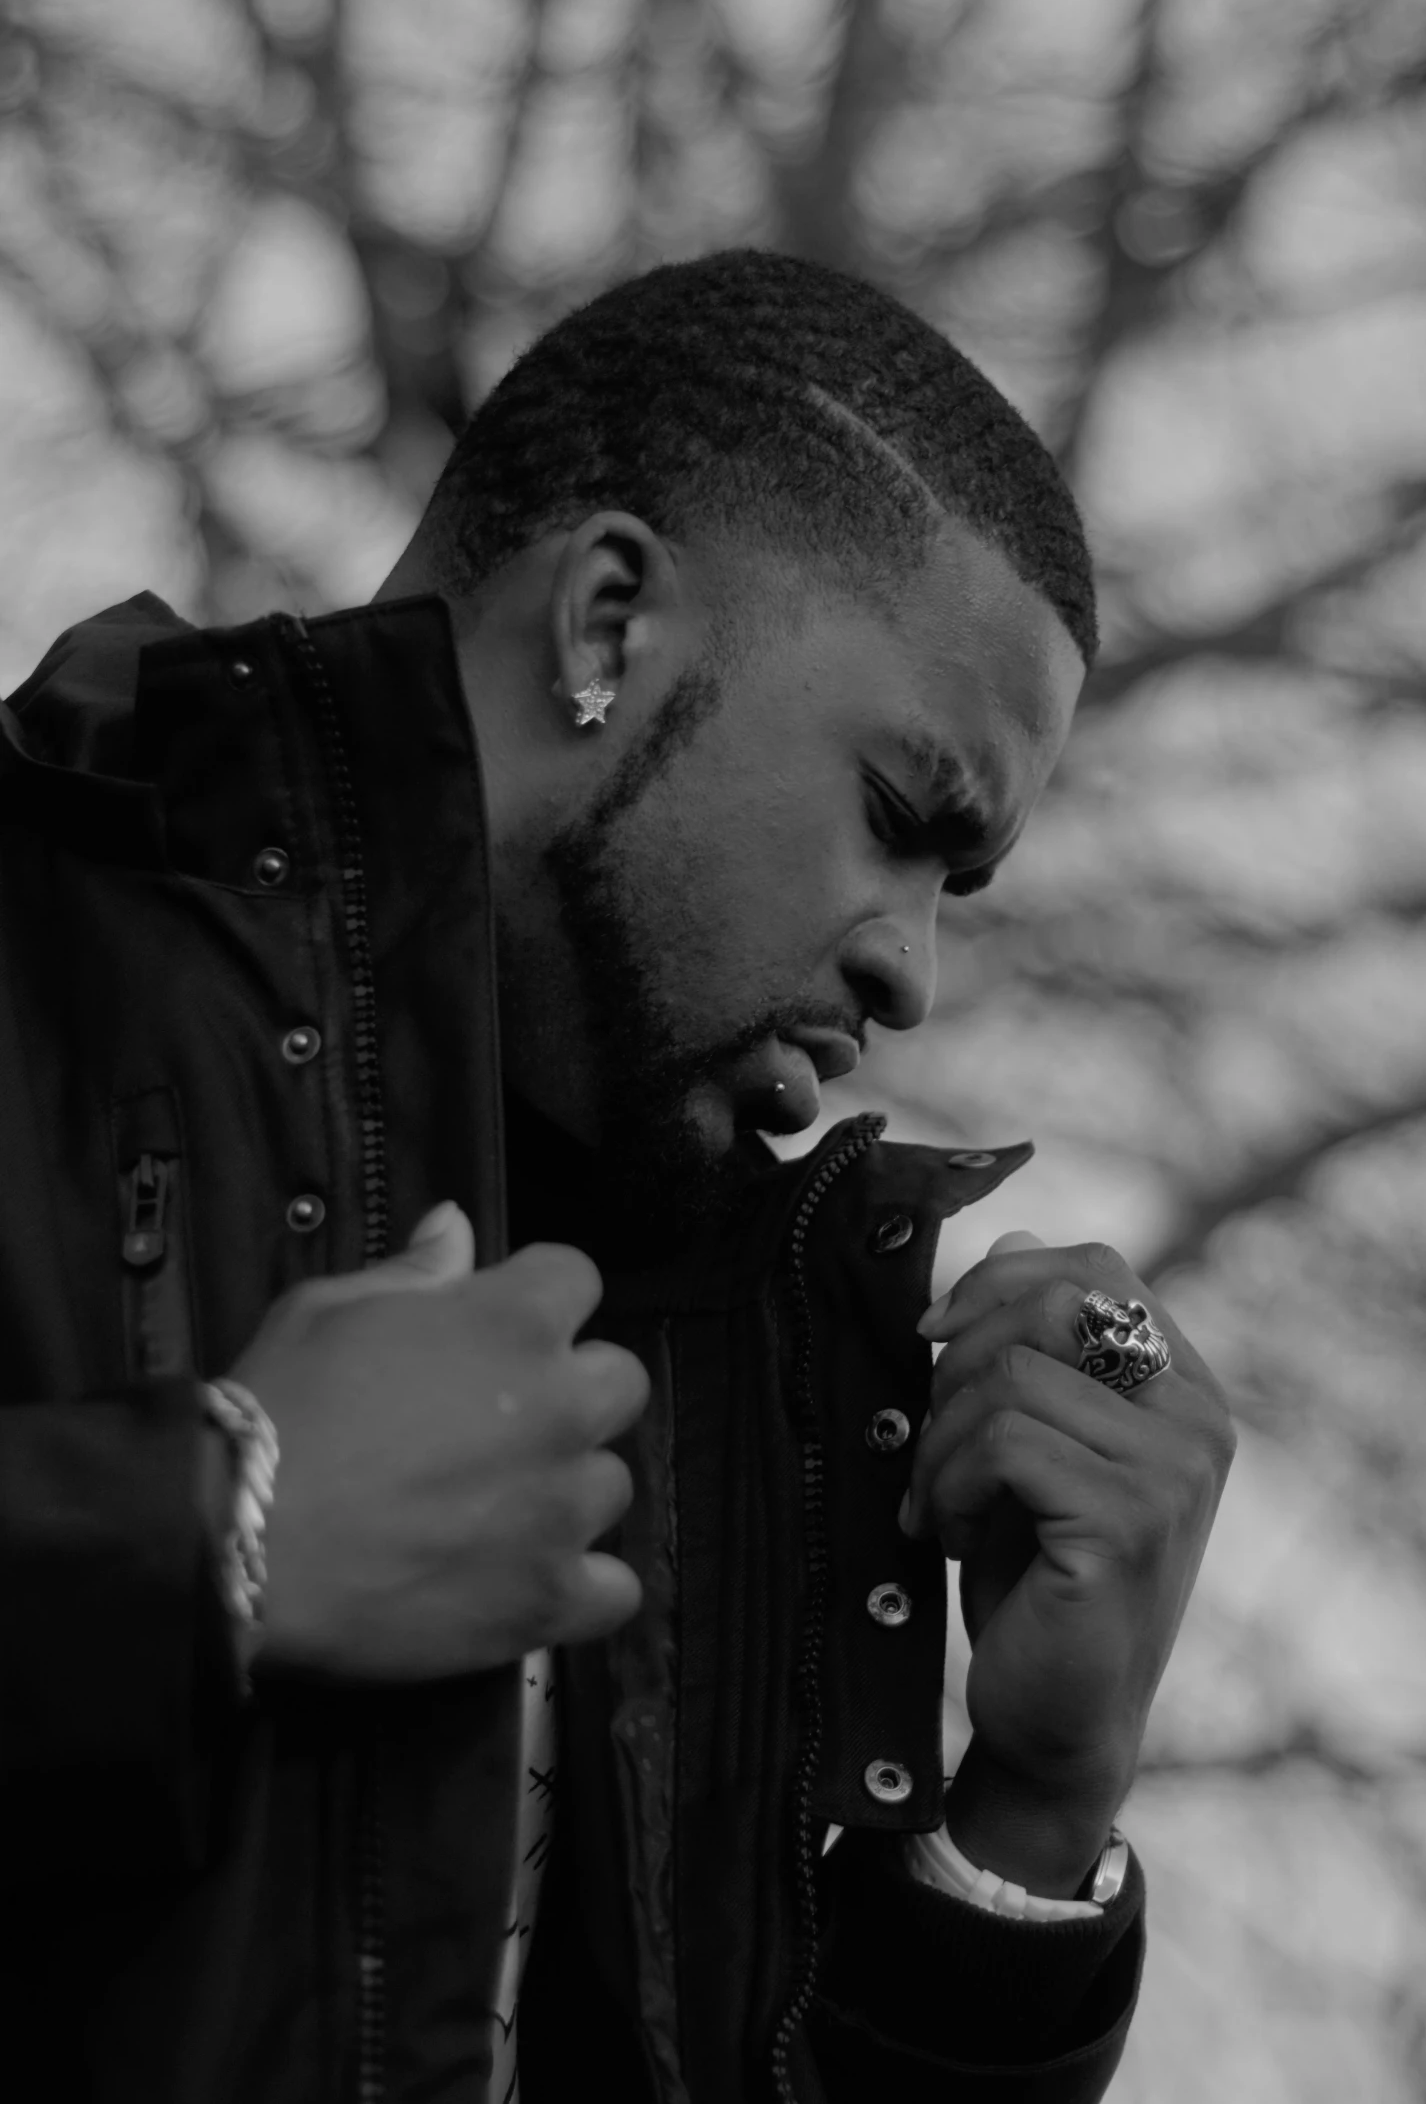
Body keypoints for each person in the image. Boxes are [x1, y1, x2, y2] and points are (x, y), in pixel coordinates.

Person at [0, 250, 1233, 2103]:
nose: (911, 971)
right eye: (903, 819)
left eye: (956, 892)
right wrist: (205, 1545)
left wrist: (1027, 1833)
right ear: (604, 627)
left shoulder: (747, 1356)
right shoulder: (33, 946)